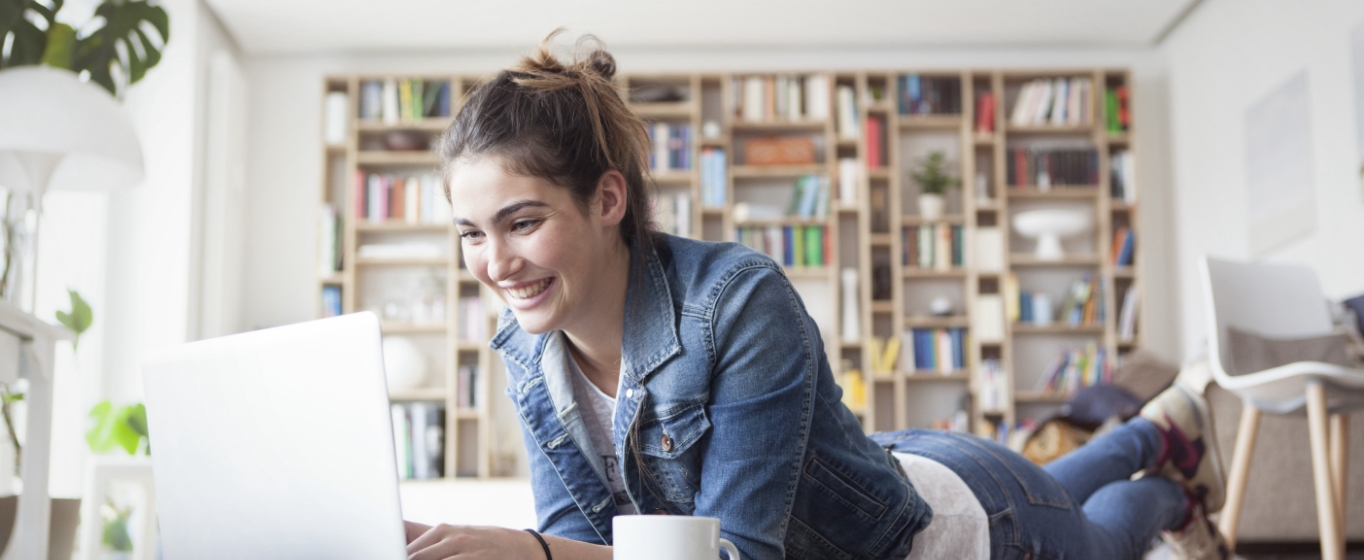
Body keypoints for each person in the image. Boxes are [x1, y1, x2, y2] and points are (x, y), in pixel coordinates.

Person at [401, 32, 1230, 560]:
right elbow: (582, 539)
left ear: (608, 200)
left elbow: (739, 558)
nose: (495, 263)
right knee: (1073, 473)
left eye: (521, 222)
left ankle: (1169, 487)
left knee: (1107, 533)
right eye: (472, 233)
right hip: (890, 463)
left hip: (969, 531)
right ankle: (1157, 426)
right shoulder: (526, 349)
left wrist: (526, 553)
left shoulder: (734, 301)